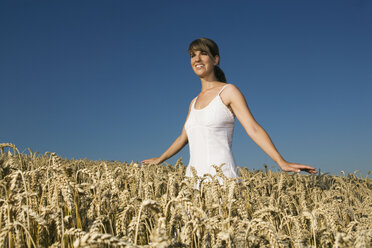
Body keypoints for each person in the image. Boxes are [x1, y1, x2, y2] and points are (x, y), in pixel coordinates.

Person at [142, 38, 317, 178]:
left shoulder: (228, 91)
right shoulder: (193, 102)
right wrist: (160, 159)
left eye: (203, 53)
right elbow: (183, 138)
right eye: (192, 55)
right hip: (193, 180)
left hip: (222, 179)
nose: (197, 58)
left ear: (215, 59)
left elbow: (253, 128)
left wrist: (281, 161)